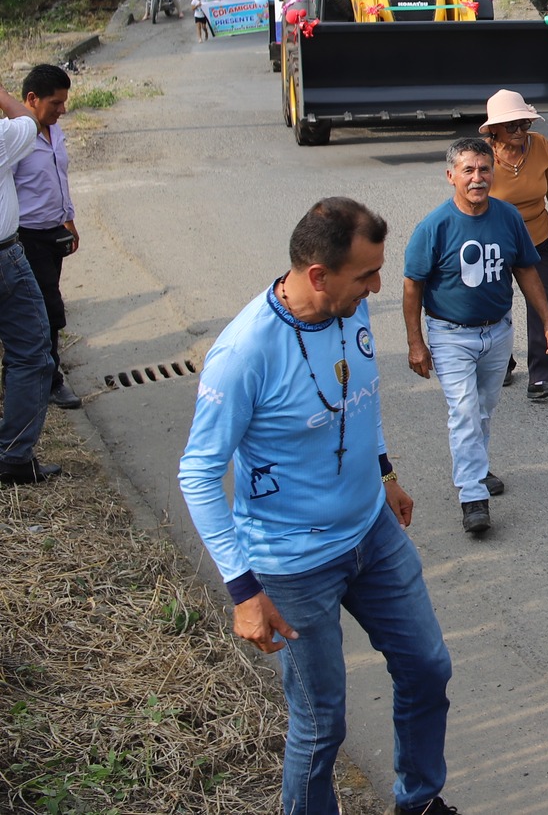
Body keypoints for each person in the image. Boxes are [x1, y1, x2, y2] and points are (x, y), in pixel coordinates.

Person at [177, 198, 458, 815]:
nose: (377, 287)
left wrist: (383, 471)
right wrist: (243, 591)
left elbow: (360, 396)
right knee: (321, 722)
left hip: (372, 533)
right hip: (292, 564)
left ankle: (418, 800)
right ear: (317, 275)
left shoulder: (347, 307)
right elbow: (197, 474)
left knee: (427, 669)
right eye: (366, 275)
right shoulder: (244, 353)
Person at [403, 138, 548, 535]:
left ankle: (476, 466)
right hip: (449, 336)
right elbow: (412, 286)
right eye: (468, 170)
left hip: (498, 331)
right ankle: (473, 496)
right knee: (464, 411)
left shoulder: (508, 217)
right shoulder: (434, 227)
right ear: (451, 176)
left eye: (484, 169)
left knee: (483, 409)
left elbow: (526, 270)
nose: (477, 178)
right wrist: (415, 343)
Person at [479, 91, 548, 400]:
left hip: (537, 236)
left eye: (524, 124)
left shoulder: (540, 144)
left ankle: (541, 376)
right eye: (511, 126)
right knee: (496, 302)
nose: (519, 131)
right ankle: (501, 361)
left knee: (541, 302)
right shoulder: (483, 157)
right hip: (496, 240)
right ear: (494, 129)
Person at [0, 79, 63, 485]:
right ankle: (14, 455)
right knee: (33, 353)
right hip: (4, 256)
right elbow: (28, 120)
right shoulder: (4, 136)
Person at [14, 65, 81, 411]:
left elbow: (59, 177)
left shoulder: (54, 131)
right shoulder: (16, 138)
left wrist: (68, 218)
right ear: (31, 99)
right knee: (46, 310)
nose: (62, 110)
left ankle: (42, 376)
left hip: (53, 233)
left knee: (47, 308)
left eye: (64, 102)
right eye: (55, 103)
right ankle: (49, 382)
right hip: (26, 238)